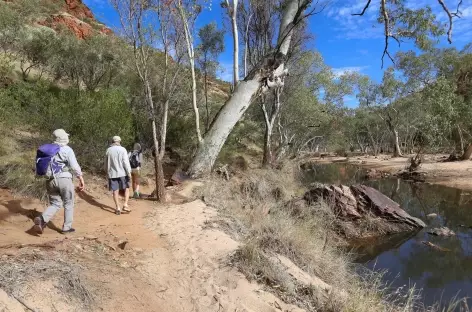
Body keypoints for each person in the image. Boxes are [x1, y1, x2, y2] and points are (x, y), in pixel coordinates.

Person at [33, 129, 85, 234]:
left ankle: (42, 219)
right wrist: (80, 177)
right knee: (69, 203)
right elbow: (74, 166)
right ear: (64, 138)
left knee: (55, 203)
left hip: (50, 180)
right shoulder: (67, 149)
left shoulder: (47, 150)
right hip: (64, 179)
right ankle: (67, 227)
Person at [105, 136, 132, 215]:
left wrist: (106, 172)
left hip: (112, 174)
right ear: (119, 141)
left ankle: (117, 207)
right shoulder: (123, 149)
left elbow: (105, 163)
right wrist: (129, 172)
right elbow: (125, 162)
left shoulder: (108, 150)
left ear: (112, 141)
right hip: (122, 173)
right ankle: (125, 204)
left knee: (115, 191)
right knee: (126, 188)